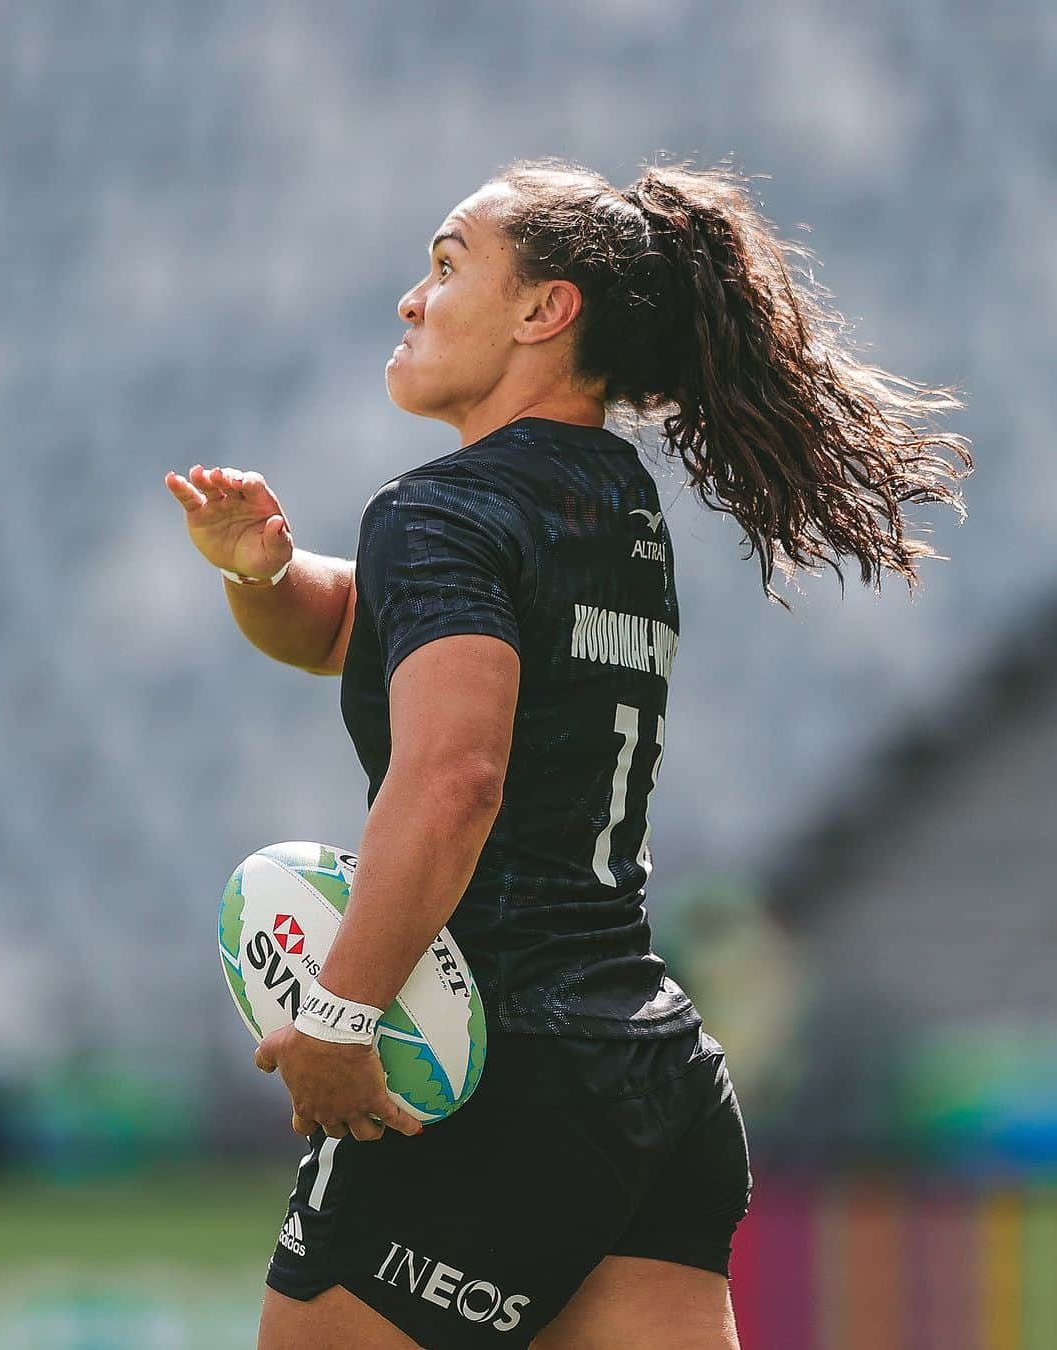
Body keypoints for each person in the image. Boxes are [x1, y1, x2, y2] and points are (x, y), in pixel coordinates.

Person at [166, 159, 970, 1350]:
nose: (411, 298)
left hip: (491, 1068)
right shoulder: (613, 506)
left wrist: (340, 1015)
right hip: (646, 1074)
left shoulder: (443, 511)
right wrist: (264, 573)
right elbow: (354, 629)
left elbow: (456, 779)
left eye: (447, 266)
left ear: (548, 311)